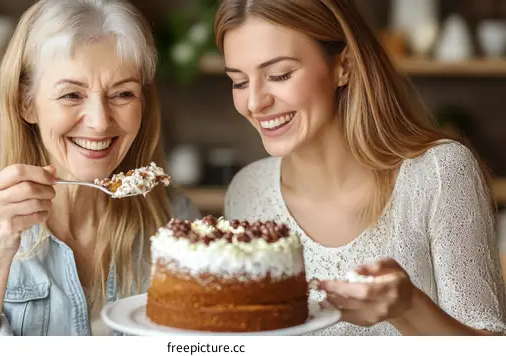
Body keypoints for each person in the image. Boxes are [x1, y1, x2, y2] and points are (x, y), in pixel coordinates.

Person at [215, 0, 506, 335]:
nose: (254, 102)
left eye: (279, 75)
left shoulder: (440, 173)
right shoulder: (246, 191)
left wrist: (408, 308)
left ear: (344, 66)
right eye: (238, 82)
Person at [0, 0, 200, 336]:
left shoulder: (178, 222)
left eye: (123, 94)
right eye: (71, 95)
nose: (98, 122)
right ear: (27, 103)